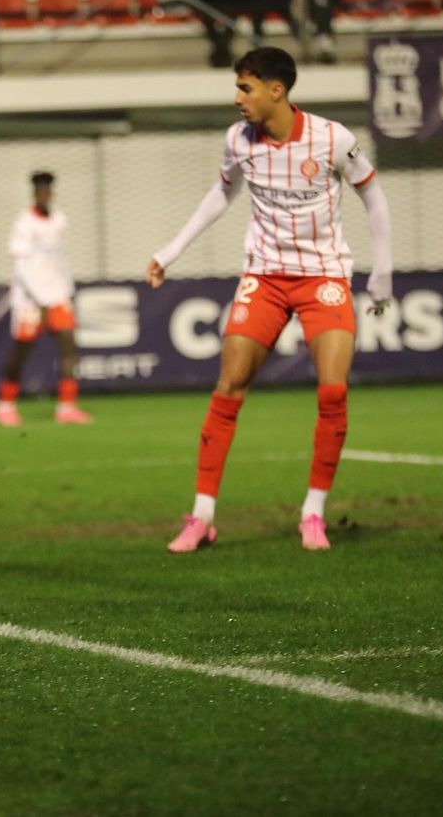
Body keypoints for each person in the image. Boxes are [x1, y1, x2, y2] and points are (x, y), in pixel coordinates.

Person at [147, 47, 393, 553]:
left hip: (323, 275)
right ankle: (202, 517)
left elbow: (373, 193)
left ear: (276, 90)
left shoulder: (332, 139)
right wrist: (171, 250)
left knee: (332, 392)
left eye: (245, 87)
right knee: (230, 385)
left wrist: (383, 271)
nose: (237, 98)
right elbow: (223, 193)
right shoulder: (239, 140)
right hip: (264, 275)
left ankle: (313, 513)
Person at [0, 171, 93, 427]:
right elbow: (21, 266)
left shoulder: (59, 220)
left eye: (48, 190)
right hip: (30, 298)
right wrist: (40, 300)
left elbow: (59, 259)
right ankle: (5, 403)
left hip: (57, 293)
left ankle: (67, 406)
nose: (45, 194)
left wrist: (66, 289)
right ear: (34, 193)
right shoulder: (24, 223)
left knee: (68, 344)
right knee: (22, 350)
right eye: (40, 190)